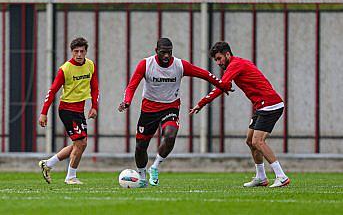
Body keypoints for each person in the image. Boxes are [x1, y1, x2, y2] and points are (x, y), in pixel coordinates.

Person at [118, 37, 229, 187]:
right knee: (140, 146)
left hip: (170, 107)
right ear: (156, 51)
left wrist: (221, 85)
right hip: (149, 109)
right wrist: (127, 101)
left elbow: (204, 74)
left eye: (169, 52)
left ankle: (155, 166)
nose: (166, 56)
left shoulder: (179, 65)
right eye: (163, 52)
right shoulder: (146, 64)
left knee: (170, 135)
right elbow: (132, 86)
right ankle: (142, 176)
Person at [190, 41, 290, 188]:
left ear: (228, 54)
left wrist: (202, 102)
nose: (218, 62)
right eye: (216, 60)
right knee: (250, 141)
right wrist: (221, 89)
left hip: (270, 104)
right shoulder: (236, 65)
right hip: (261, 106)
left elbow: (222, 85)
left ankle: (281, 176)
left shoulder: (236, 65)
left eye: (219, 58)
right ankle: (261, 177)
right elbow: (223, 85)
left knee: (258, 141)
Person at [38, 37, 99, 185]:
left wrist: (94, 106)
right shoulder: (65, 69)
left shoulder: (90, 65)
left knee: (79, 144)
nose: (79, 54)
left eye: (82, 51)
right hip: (67, 109)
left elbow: (95, 88)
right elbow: (52, 92)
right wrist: (44, 113)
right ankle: (70, 177)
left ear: (86, 52)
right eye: (76, 51)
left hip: (80, 110)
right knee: (81, 143)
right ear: (71, 52)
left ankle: (48, 164)